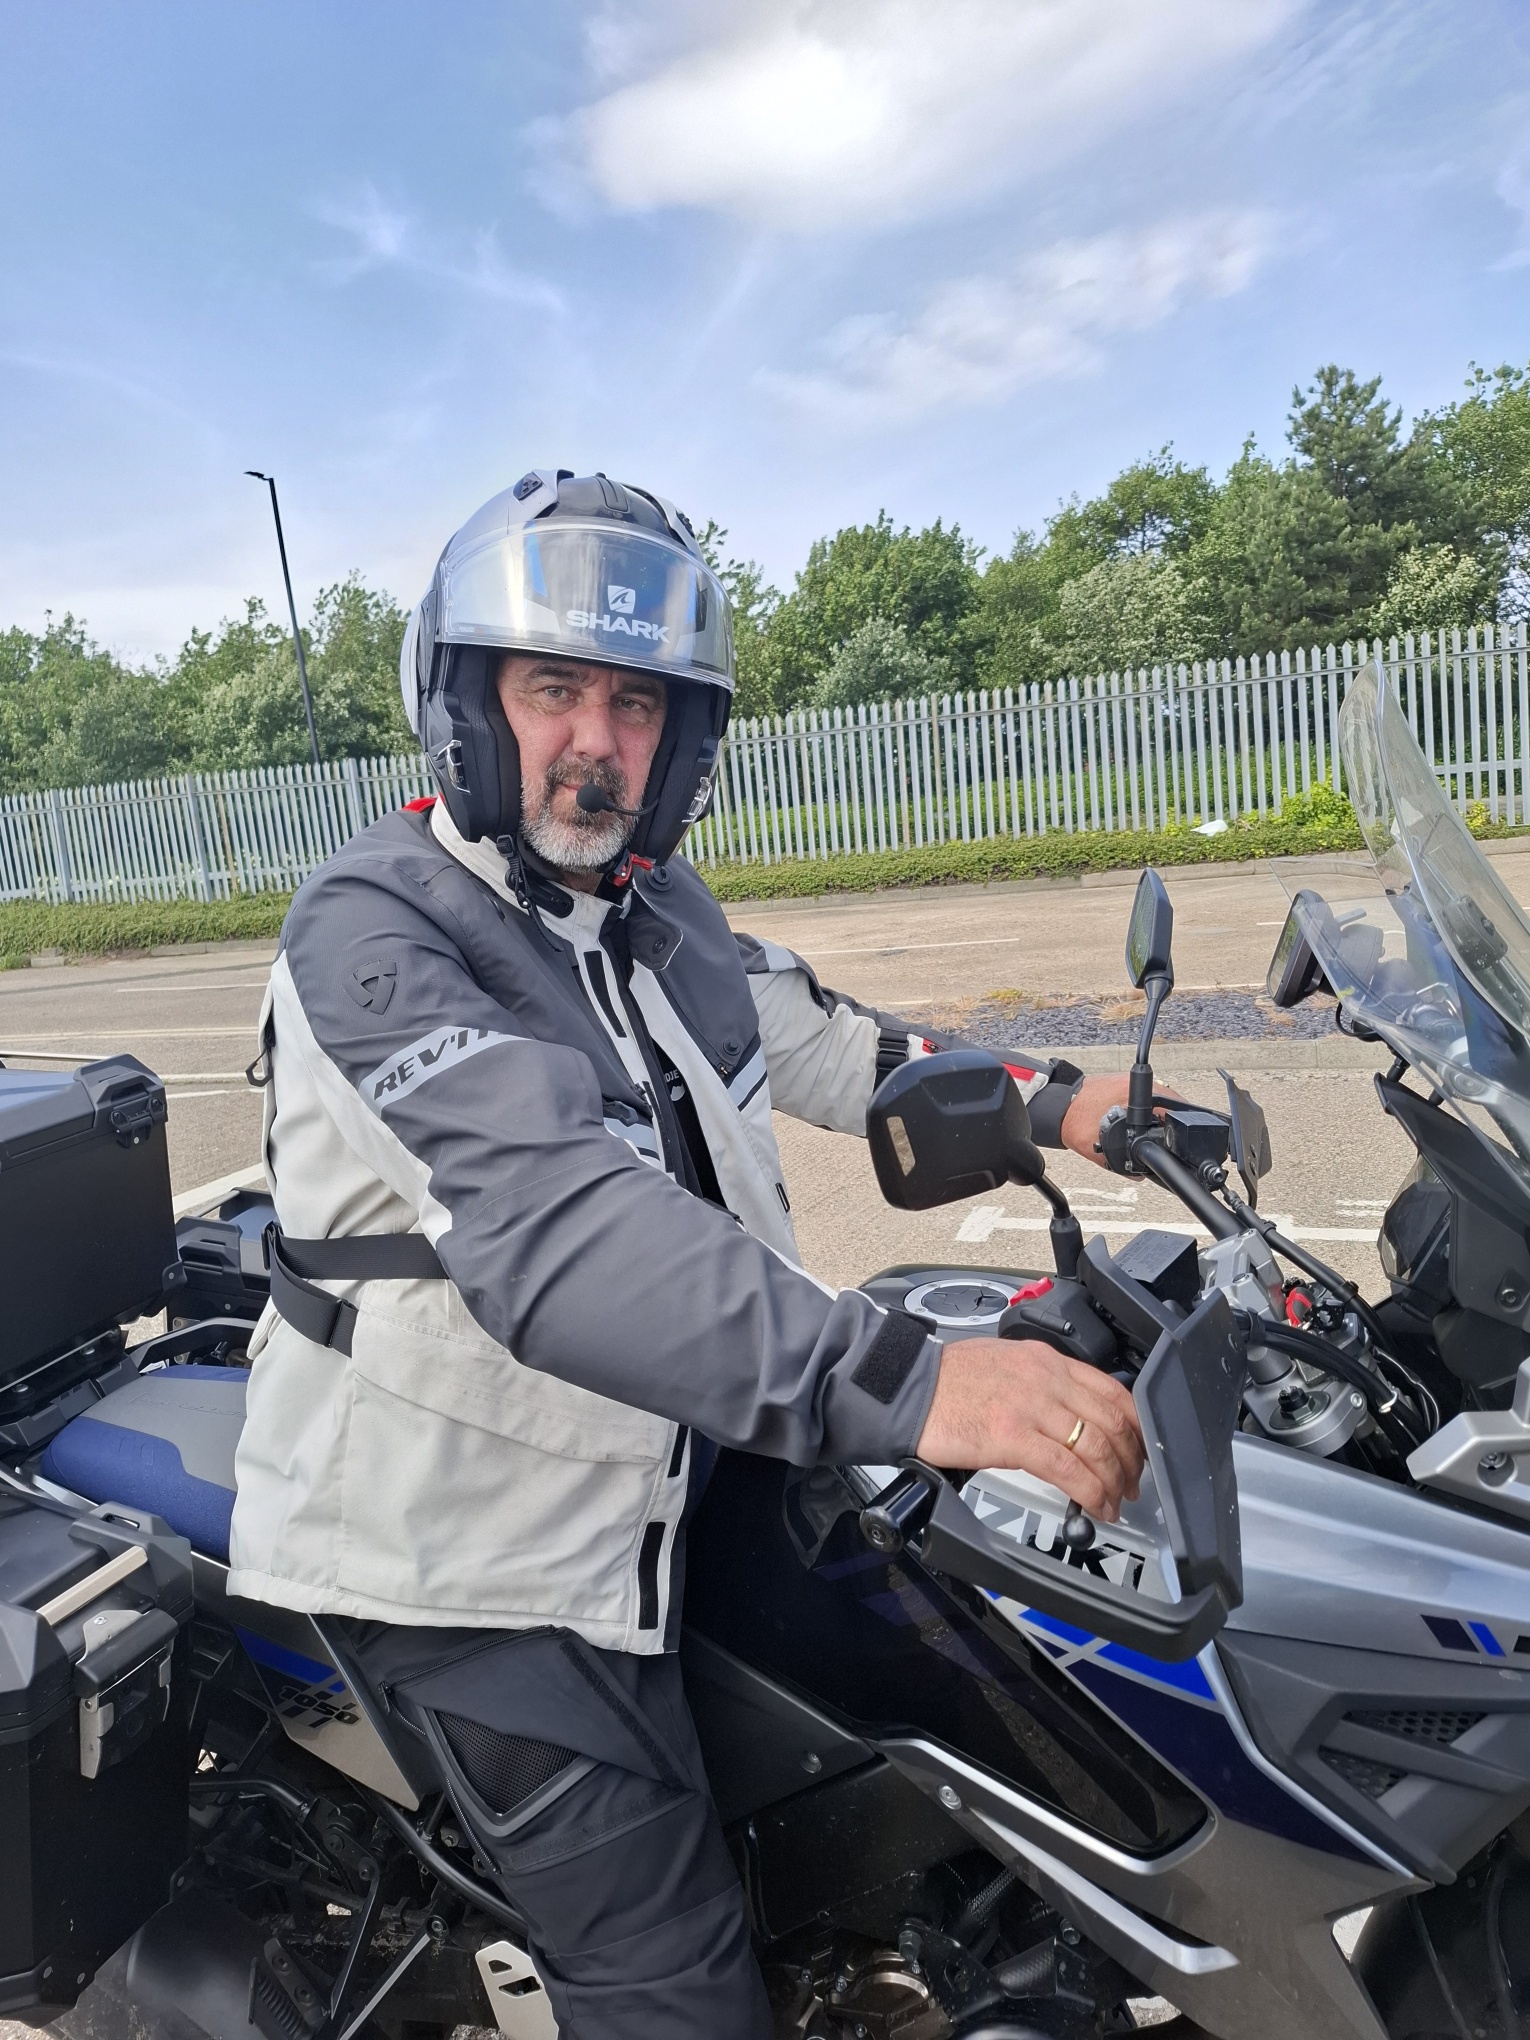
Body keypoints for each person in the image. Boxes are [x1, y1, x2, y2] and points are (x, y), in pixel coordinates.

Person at [228, 471, 1145, 2039]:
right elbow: (559, 1226)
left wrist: (1074, 1105)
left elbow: (843, 1046)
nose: (596, 738)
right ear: (465, 706)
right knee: (675, 1985)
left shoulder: (654, 913)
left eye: (636, 701)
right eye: (553, 688)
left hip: (676, 1456)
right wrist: (913, 1382)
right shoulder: (376, 931)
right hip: (473, 1549)